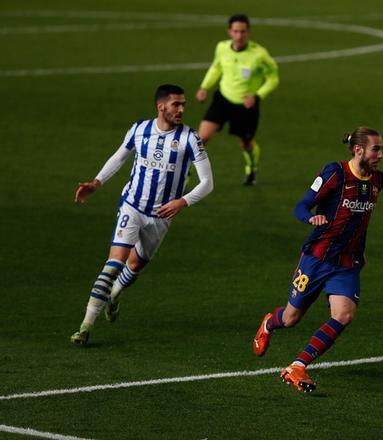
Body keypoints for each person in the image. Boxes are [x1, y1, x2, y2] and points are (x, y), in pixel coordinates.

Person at [70, 84, 214, 345]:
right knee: (113, 264)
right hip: (132, 206)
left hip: (161, 216)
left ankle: (115, 294)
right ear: (161, 106)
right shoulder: (139, 129)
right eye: (176, 105)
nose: (181, 109)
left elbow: (207, 182)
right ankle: (86, 326)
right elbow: (119, 157)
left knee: (135, 265)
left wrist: (183, 201)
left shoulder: (190, 139)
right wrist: (95, 183)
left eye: (183, 105)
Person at [252, 127, 383, 392]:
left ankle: (297, 366)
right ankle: (269, 322)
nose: (380, 154)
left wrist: (360, 249)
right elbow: (301, 205)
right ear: (358, 149)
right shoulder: (335, 173)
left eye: (381, 148)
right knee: (291, 318)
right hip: (317, 258)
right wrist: (310, 218)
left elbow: (360, 221)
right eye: (376, 149)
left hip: (347, 263)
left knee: (344, 315)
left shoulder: (378, 180)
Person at [196, 13, 279, 186]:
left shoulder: (259, 55)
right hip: (223, 99)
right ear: (229, 32)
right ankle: (185, 175)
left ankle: (251, 167)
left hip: (246, 105)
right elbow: (216, 67)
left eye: (243, 32)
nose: (239, 35)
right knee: (200, 139)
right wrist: (204, 87)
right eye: (235, 31)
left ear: (248, 32)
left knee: (246, 143)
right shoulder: (222, 47)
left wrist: (257, 96)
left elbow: (273, 78)